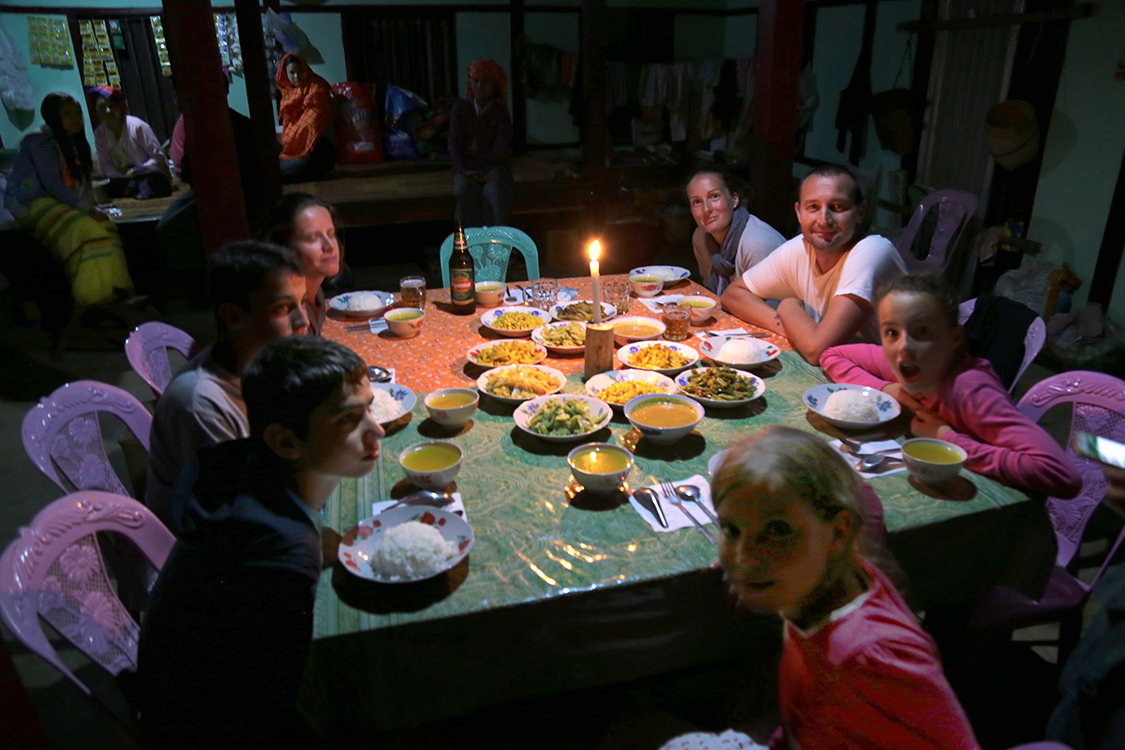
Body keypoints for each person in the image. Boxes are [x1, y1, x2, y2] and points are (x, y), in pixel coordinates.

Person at [138, 335, 384, 748]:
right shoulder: (283, 555)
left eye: (370, 408)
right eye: (347, 419)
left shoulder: (240, 463)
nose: (376, 430)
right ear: (285, 441)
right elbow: (275, 704)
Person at [709, 426, 979, 750]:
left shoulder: (871, 659)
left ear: (838, 533)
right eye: (731, 529)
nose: (745, 556)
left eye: (778, 530)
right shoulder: (811, 590)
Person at [820, 274, 1081, 498]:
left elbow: (1061, 475)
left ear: (954, 338)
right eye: (892, 332)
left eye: (922, 332)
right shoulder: (905, 365)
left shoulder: (971, 391)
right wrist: (891, 391)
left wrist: (945, 436)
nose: (904, 346)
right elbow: (832, 355)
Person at [145, 240, 308, 525]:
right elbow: (237, 517)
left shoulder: (265, 363)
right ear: (233, 316)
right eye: (283, 308)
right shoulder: (201, 403)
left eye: (302, 302)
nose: (302, 320)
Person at [721, 164, 906, 363]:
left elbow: (816, 350)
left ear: (860, 212)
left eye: (837, 207)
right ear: (799, 213)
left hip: (898, 382)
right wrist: (795, 329)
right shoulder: (799, 248)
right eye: (813, 207)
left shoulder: (872, 251)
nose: (824, 219)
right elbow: (733, 295)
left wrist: (788, 307)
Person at [3, 92, 134, 306]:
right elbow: (52, 185)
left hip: (57, 201)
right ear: (53, 117)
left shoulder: (76, 142)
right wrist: (86, 208)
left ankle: (117, 289)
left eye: (77, 113)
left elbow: (81, 183)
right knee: (87, 231)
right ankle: (91, 297)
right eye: (66, 114)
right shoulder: (39, 141)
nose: (75, 119)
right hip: (30, 203)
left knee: (107, 227)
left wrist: (93, 207)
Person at [686, 168, 785, 294]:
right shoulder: (700, 237)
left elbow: (771, 308)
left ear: (734, 200)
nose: (706, 209)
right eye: (697, 202)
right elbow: (710, 293)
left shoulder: (756, 243)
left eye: (715, 196)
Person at [259, 193, 342, 337]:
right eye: (312, 238)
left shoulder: (316, 292)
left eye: (331, 234)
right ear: (284, 248)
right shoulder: (284, 312)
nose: (329, 246)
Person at [448, 58, 513, 228]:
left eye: (485, 82)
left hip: (493, 166)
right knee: (463, 192)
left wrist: (479, 165)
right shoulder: (460, 108)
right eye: (476, 81)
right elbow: (454, 145)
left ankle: (496, 249)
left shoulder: (501, 113)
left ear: (494, 86)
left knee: (496, 195)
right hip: (466, 166)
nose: (479, 86)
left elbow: (501, 150)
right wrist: (464, 169)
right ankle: (468, 248)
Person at [89, 86, 172, 198]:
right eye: (102, 107)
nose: (108, 111)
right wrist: (120, 175)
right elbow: (105, 164)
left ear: (119, 107)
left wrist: (136, 171)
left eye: (112, 106)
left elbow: (158, 157)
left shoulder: (137, 126)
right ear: (97, 111)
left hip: (150, 178)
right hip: (124, 181)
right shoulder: (99, 134)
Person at [276, 52, 336, 183]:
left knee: (276, 171)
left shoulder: (317, 90)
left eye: (300, 72)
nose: (296, 76)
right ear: (285, 74)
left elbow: (311, 126)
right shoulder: (289, 95)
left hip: (319, 151)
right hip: (299, 153)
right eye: (292, 73)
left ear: (306, 70)